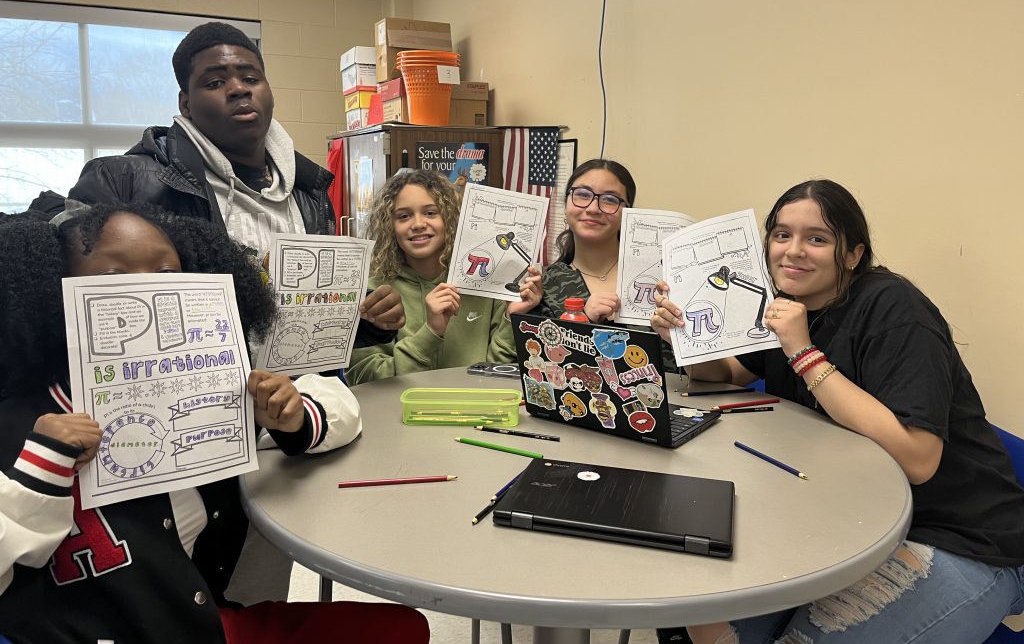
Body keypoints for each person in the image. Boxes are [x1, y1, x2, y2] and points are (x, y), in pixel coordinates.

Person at [0, 204, 429, 643]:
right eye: (113, 278)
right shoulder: (17, 414)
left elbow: (338, 407)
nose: (149, 293)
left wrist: (292, 415)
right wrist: (40, 468)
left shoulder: (207, 385)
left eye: (168, 275)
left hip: (202, 623)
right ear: (52, 291)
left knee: (404, 628)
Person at [651, 179, 1024, 643]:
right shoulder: (782, 304)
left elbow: (918, 459)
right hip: (844, 526)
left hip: (960, 536)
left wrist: (804, 353)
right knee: (695, 606)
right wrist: (685, 339)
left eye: (818, 239)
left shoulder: (894, 309)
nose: (793, 251)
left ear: (853, 254)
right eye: (782, 235)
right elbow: (722, 374)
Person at [65, 21, 404, 342]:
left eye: (251, 78)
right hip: (193, 392)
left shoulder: (308, 190)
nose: (238, 88)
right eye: (214, 83)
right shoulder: (124, 181)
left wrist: (371, 319)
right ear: (186, 104)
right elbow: (76, 316)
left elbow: (309, 320)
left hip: (295, 396)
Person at [345, 169, 537, 384]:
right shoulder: (376, 292)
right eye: (404, 216)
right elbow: (363, 378)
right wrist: (430, 332)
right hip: (398, 413)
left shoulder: (482, 282)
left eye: (430, 213)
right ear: (390, 226)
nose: (418, 224)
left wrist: (512, 318)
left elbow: (497, 371)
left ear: (450, 219)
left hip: (475, 409)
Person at [533, 158, 636, 322]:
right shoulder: (543, 287)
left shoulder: (650, 281)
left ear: (628, 213)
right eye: (582, 195)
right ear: (566, 206)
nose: (593, 208)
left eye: (610, 199)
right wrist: (584, 320)